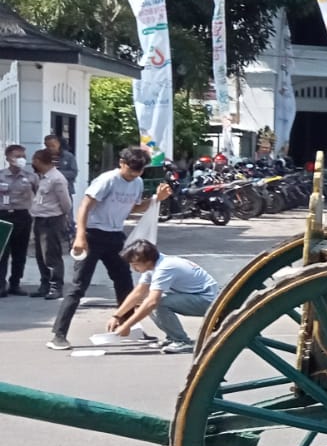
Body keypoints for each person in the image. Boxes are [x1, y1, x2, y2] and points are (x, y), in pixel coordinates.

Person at [47, 147, 172, 351]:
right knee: (79, 286)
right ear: (122, 163)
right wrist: (80, 236)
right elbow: (85, 206)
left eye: (139, 172)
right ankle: (59, 335)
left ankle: (129, 327)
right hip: (92, 235)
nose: (134, 176)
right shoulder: (107, 180)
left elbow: (134, 207)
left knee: (124, 282)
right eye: (131, 171)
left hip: (115, 236)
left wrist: (156, 199)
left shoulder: (138, 182)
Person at [105, 239, 219, 354]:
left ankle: (181, 341)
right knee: (144, 301)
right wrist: (117, 316)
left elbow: (153, 302)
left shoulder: (165, 268)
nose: (133, 269)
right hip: (196, 296)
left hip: (209, 301)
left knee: (157, 302)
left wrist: (126, 325)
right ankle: (171, 337)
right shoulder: (155, 264)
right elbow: (137, 293)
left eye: (135, 265)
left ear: (148, 261)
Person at [29, 148, 71, 299]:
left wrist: (64, 218)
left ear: (39, 161)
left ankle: (56, 286)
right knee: (41, 255)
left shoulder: (56, 179)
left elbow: (66, 203)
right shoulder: (42, 177)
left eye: (34, 160)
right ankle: (44, 284)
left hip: (52, 220)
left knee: (51, 255)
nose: (32, 163)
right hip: (40, 219)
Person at [0, 143, 39, 297]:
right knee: (2, 252)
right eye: (17, 156)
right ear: (8, 158)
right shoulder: (1, 176)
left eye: (23, 156)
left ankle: (15, 283)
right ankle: (1, 285)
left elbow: (39, 195)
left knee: (20, 252)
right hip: (3, 216)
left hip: (22, 215)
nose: (21, 159)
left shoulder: (31, 177)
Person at [44, 133, 77, 241]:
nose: (50, 148)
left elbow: (73, 173)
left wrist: (56, 173)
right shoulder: (44, 157)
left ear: (59, 144)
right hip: (49, 192)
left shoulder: (68, 156)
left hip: (65, 191)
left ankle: (70, 237)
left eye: (53, 145)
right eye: (47, 146)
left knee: (67, 214)